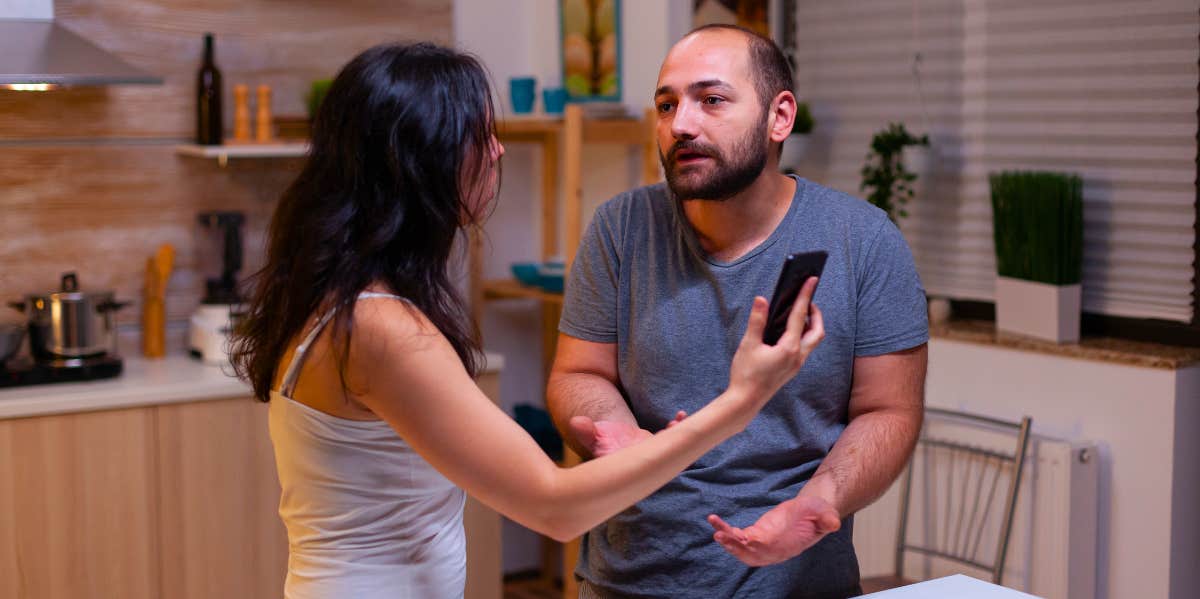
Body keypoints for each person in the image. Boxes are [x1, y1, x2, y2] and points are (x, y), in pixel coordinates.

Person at [230, 42, 826, 599]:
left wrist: (648, 443)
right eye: (478, 133)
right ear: (421, 156)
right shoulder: (379, 328)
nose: (498, 149)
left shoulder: (343, 299)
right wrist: (742, 402)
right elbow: (556, 508)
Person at [547, 25, 930, 598]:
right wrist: (620, 435)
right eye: (666, 104)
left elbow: (889, 411)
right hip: (628, 581)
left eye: (712, 100)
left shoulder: (863, 240)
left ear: (780, 117)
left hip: (797, 582)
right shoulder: (620, 228)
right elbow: (578, 374)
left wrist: (819, 500)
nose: (681, 124)